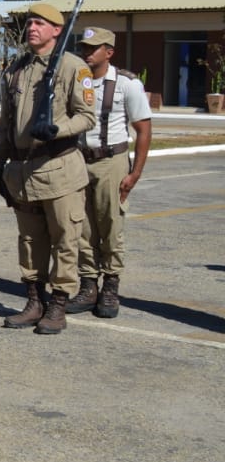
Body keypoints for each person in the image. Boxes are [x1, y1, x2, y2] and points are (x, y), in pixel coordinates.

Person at [0, 2, 96, 335]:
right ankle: (34, 302)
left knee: (65, 239)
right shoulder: (16, 69)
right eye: (29, 23)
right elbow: (6, 122)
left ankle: (58, 305)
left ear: (57, 30)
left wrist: (58, 129)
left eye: (39, 23)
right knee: (30, 241)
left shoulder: (73, 67)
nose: (31, 28)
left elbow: (87, 117)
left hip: (60, 167)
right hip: (23, 171)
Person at [66, 26, 152, 319]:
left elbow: (143, 129)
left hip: (111, 161)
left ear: (109, 52)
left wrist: (135, 173)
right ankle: (88, 285)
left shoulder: (127, 83)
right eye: (84, 48)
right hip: (79, 160)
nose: (86, 53)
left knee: (111, 225)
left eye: (93, 48)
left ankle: (111, 286)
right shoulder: (76, 80)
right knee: (82, 227)